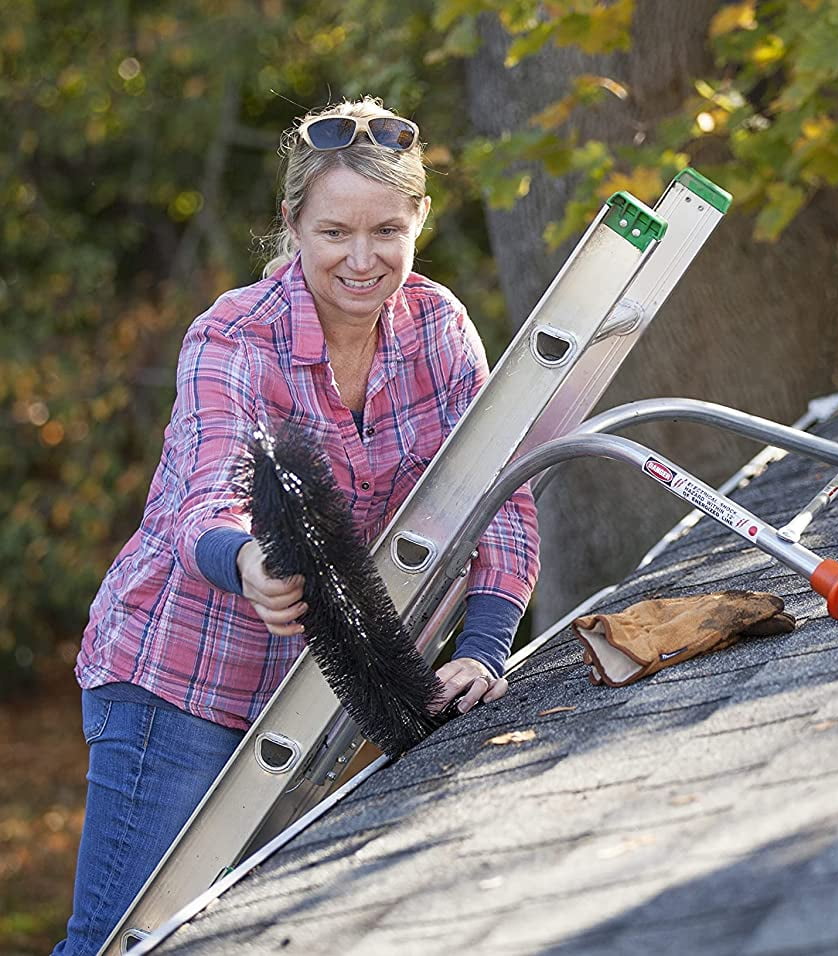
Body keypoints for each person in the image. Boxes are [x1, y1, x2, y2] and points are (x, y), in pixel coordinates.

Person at [53, 96, 539, 956]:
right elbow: (211, 488)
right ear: (292, 224)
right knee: (121, 942)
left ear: (419, 220)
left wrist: (485, 646)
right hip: (178, 683)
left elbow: (497, 489)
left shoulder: (437, 327)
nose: (363, 259)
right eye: (334, 233)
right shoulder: (234, 336)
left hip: (315, 702)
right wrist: (247, 561)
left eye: (386, 231)